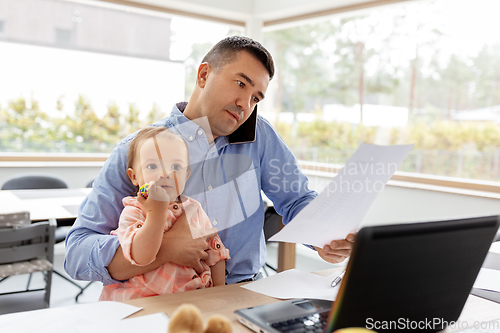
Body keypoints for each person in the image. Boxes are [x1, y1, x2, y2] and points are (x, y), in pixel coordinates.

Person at [65, 36, 355, 287]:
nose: (245, 104)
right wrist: (163, 248)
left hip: (243, 292)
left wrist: (325, 237)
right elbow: (77, 253)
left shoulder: (260, 137)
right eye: (240, 84)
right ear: (203, 75)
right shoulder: (139, 151)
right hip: (163, 297)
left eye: (256, 97)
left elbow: (297, 199)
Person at [99, 126, 229, 301]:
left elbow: (215, 251)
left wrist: (219, 294)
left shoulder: (194, 209)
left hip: (189, 297)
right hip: (139, 300)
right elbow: (141, 255)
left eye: (176, 166)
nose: (165, 173)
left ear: (186, 175)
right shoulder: (135, 210)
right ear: (134, 176)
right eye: (152, 166)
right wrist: (156, 212)